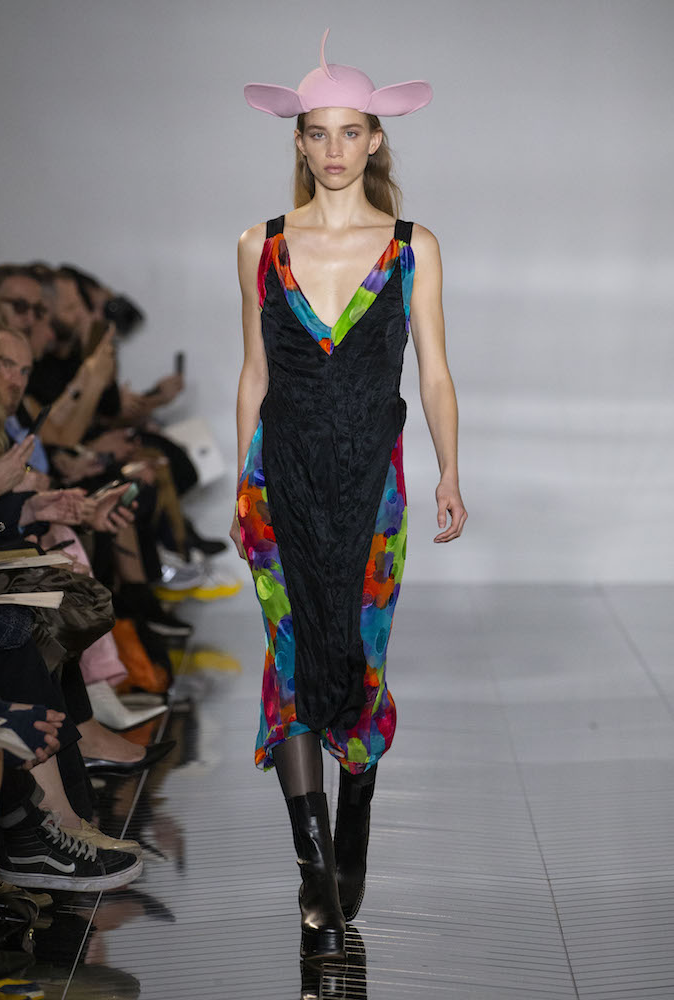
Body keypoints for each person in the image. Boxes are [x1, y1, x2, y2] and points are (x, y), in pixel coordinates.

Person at [232, 28, 468, 963]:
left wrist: (451, 468)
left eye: (350, 132)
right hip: (278, 480)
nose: (333, 149)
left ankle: (356, 802)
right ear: (299, 141)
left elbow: (435, 372)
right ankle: (315, 866)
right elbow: (253, 374)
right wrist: (242, 483)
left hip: (374, 483)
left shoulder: (412, 248)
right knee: (290, 658)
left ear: (375, 139)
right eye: (317, 133)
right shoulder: (259, 243)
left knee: (360, 654)